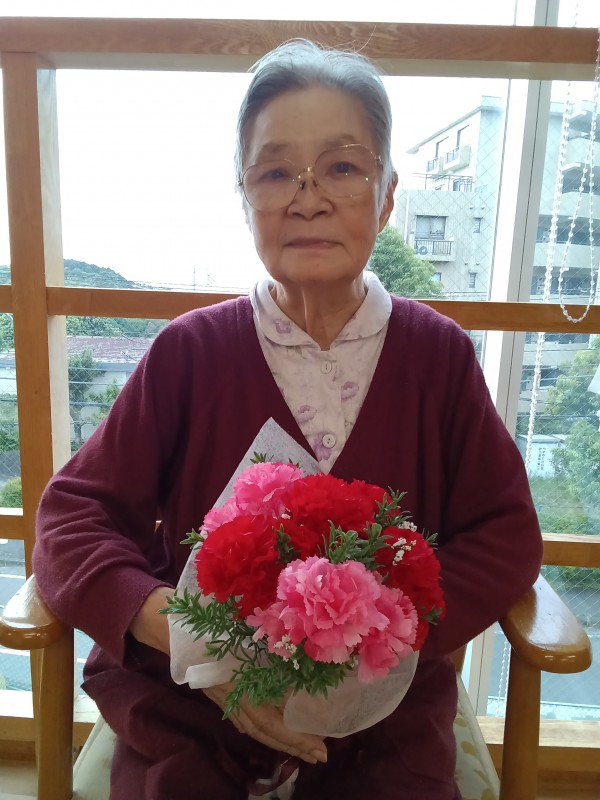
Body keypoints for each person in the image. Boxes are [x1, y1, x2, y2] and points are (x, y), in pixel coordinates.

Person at [33, 39, 543, 800]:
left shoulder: (436, 356)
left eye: (342, 167)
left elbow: (504, 533)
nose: (308, 198)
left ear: (388, 195)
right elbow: (73, 515)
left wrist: (385, 638)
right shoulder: (190, 352)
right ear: (244, 199)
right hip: (196, 705)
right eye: (275, 173)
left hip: (383, 717)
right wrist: (174, 628)